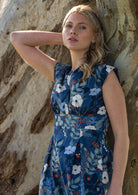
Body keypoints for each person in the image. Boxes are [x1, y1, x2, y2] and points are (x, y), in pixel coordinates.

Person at [10, 4, 129, 195]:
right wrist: (64, 38)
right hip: (56, 169)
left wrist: (117, 186)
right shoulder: (60, 74)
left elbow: (122, 133)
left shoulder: (104, 75)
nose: (73, 30)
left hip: (91, 171)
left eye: (82, 27)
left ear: (95, 37)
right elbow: (17, 39)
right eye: (69, 26)